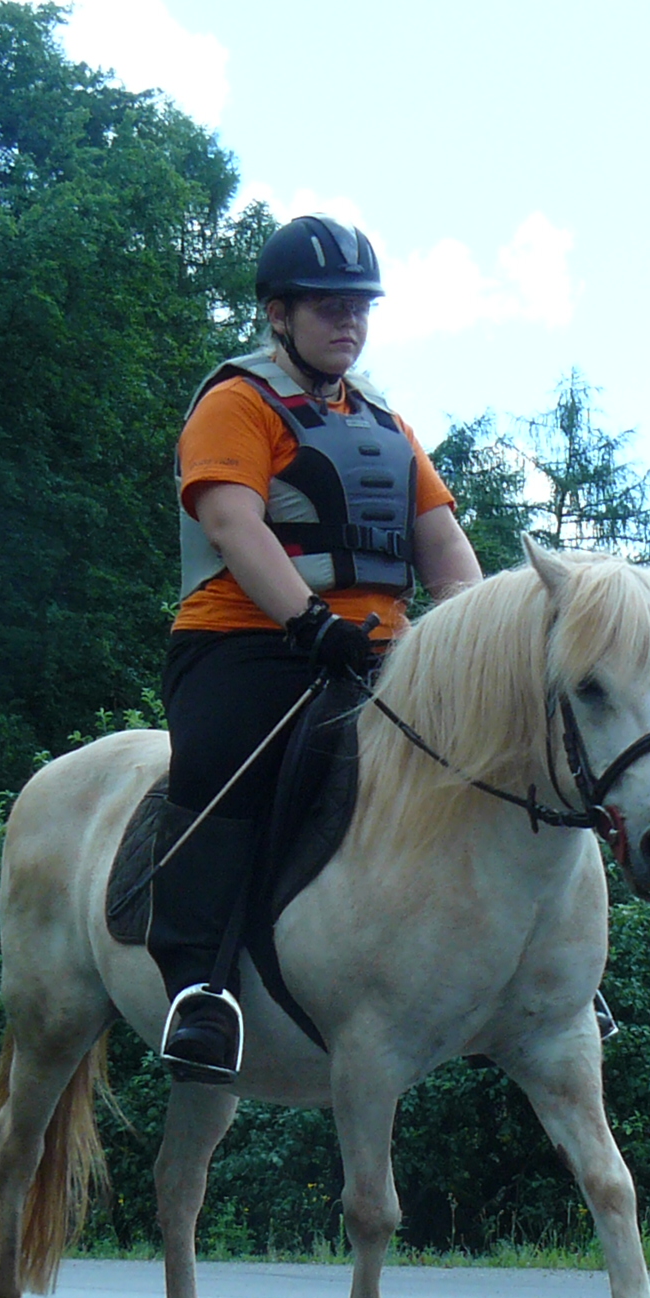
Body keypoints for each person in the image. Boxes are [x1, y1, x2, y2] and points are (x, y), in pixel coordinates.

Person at [152, 213, 486, 1080]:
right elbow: (233, 524)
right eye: (329, 306)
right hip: (248, 641)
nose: (348, 322)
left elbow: (443, 546)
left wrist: (480, 634)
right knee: (230, 770)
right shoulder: (235, 402)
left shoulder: (387, 425)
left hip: (380, 651)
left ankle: (540, 977)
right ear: (278, 313)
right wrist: (309, 622)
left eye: (360, 308)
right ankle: (200, 989)